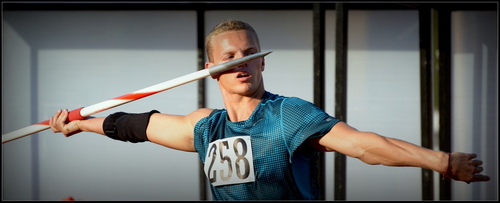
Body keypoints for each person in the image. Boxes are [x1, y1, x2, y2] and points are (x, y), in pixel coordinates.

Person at [49, 19, 490, 200]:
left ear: (261, 60)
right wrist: (77, 126)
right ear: (211, 70)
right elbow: (134, 126)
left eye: (250, 53)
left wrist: (441, 161)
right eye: (230, 57)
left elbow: (363, 146)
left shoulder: (289, 115)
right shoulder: (205, 127)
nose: (241, 61)